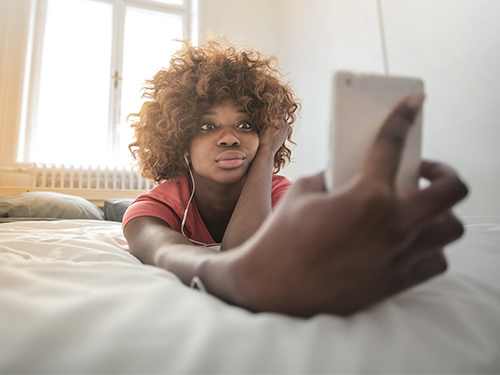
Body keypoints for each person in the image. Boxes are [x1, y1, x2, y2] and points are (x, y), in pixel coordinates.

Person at [123, 39, 468, 317]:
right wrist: (241, 279)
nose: (230, 138)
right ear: (179, 141)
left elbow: (247, 249)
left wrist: (266, 157)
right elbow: (172, 253)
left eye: (245, 125)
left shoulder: (278, 189)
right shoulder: (151, 208)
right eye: (207, 126)